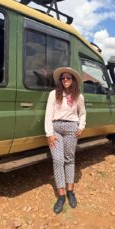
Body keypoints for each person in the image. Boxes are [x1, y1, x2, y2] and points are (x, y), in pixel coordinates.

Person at [45, 67, 86, 214]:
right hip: (56, 128)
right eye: (63, 78)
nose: (65, 80)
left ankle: (70, 191)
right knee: (57, 160)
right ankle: (61, 195)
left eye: (68, 78)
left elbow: (82, 113)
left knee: (69, 159)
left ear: (73, 80)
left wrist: (81, 126)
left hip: (71, 129)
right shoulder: (53, 94)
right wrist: (49, 133)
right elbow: (48, 114)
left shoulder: (78, 96)